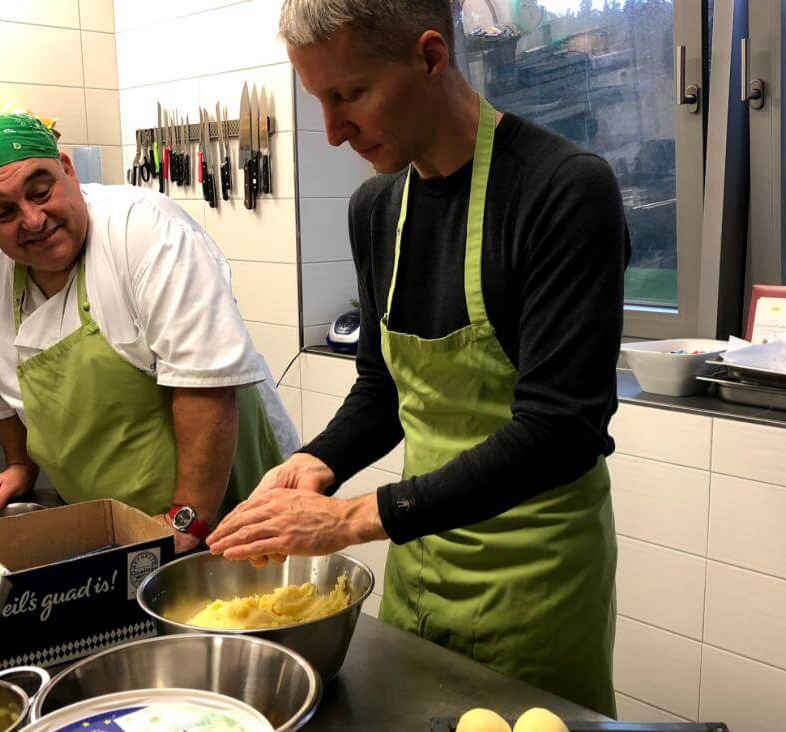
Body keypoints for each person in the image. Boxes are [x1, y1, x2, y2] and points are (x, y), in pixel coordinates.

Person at [208, 0, 628, 716]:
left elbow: (561, 431)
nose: (334, 132)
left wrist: (349, 521)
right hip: (420, 556)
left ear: (431, 57)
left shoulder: (562, 190)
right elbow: (381, 389)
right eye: (320, 101)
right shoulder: (376, 207)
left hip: (534, 578)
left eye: (349, 95)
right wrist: (317, 463)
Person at [0, 113, 298, 552]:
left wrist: (185, 519)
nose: (33, 220)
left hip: (227, 509)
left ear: (68, 170)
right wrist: (20, 466)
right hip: (112, 535)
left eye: (41, 192)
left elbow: (205, 385)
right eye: (3, 212)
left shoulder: (145, 231)